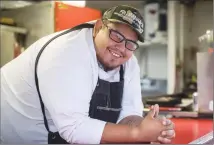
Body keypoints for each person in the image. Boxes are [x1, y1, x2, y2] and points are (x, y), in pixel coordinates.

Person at [1, 5, 175, 144]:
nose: (121, 48)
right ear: (99, 27)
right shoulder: (65, 53)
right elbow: (74, 129)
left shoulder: (129, 62)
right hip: (14, 136)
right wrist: (137, 133)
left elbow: (128, 115)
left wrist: (150, 129)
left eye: (130, 43)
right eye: (116, 35)